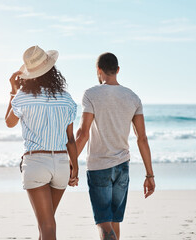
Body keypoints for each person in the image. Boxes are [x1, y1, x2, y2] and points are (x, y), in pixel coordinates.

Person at [75, 52, 155, 240]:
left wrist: (70, 163)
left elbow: (83, 133)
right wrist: (149, 175)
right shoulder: (133, 97)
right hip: (122, 167)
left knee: (104, 223)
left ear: (99, 70)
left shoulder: (91, 94)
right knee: (114, 222)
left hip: (99, 166)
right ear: (118, 70)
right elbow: (142, 138)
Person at [5, 45, 79, 240]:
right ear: (51, 70)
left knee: (47, 226)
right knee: (46, 225)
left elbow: (9, 123)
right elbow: (70, 139)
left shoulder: (23, 97)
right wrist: (76, 169)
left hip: (36, 163)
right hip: (62, 164)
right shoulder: (66, 98)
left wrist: (13, 92)